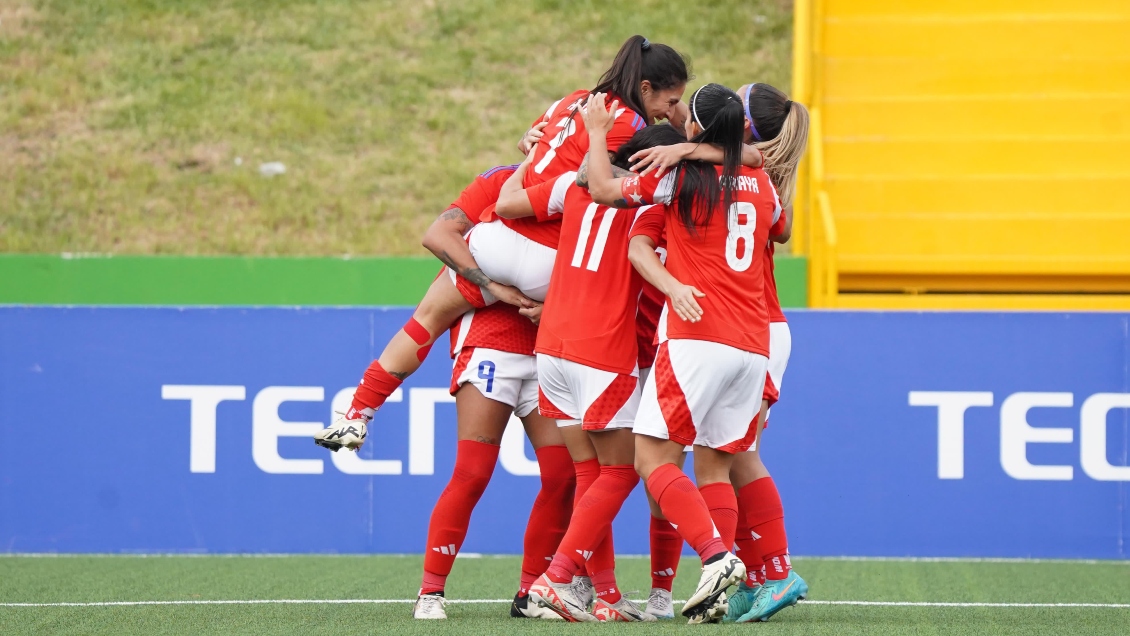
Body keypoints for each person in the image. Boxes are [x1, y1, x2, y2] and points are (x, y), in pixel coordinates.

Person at [314, 34, 690, 452]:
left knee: (426, 319)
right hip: (551, 263)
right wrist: (684, 143)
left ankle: (357, 414)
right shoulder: (632, 126)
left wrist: (528, 153)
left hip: (497, 241)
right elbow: (605, 183)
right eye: (671, 101)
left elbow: (535, 141)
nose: (672, 112)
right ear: (645, 90)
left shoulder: (573, 99)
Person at [584, 85, 777, 623]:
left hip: (698, 334)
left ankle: (716, 557)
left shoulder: (676, 176)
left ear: (693, 128)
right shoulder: (763, 182)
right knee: (715, 466)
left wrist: (598, 133)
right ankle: (722, 590)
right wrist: (706, 153)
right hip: (751, 345)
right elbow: (775, 216)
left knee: (651, 459)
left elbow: (601, 188)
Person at [495, 123, 688, 622]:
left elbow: (507, 202)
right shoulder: (654, 207)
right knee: (625, 471)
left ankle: (602, 593)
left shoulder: (576, 185)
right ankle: (557, 580)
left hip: (553, 348)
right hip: (605, 351)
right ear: (654, 165)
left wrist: (533, 151)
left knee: (589, 473)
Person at [407, 167, 576, 621]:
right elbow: (443, 236)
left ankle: (530, 593)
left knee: (564, 477)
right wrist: (491, 285)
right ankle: (431, 591)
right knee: (473, 472)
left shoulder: (585, 193)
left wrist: (556, 307)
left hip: (547, 350)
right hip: (491, 342)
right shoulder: (506, 184)